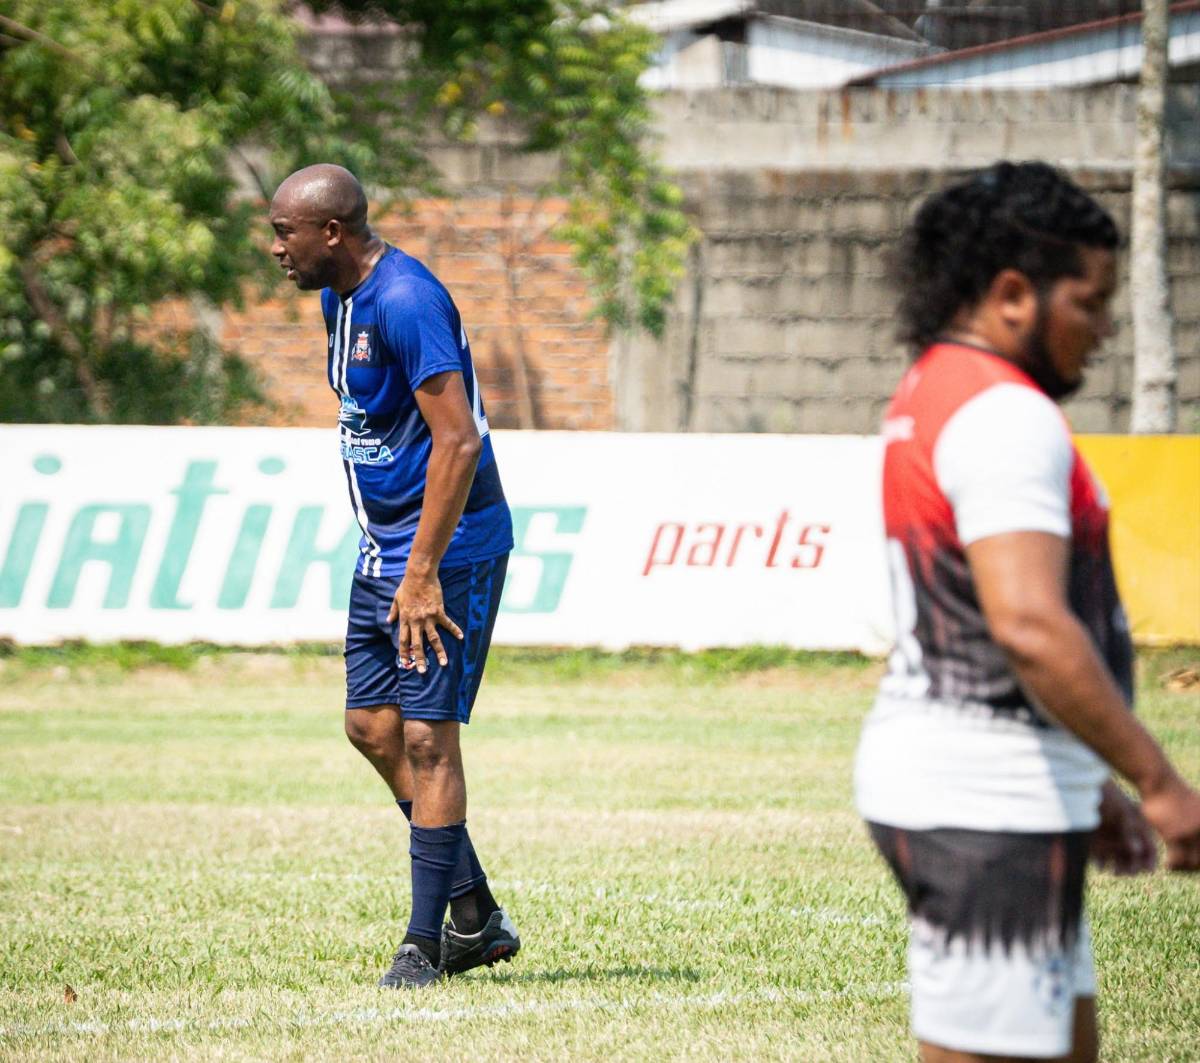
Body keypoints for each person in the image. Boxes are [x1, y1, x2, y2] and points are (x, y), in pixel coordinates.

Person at [854, 161, 1200, 1062]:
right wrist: (1160, 782)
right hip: (983, 801)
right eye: (1089, 301)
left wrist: (1086, 782)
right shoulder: (1007, 416)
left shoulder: (936, 384)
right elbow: (1029, 624)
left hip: (995, 782)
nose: (1105, 328)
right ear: (1014, 294)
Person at [269, 164, 519, 988]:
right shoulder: (337, 295)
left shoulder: (407, 301)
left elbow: (458, 441)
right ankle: (477, 909)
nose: (276, 248)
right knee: (370, 727)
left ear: (331, 233)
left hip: (445, 552)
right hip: (389, 549)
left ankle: (424, 942)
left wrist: (422, 574)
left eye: (285, 232)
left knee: (426, 735)